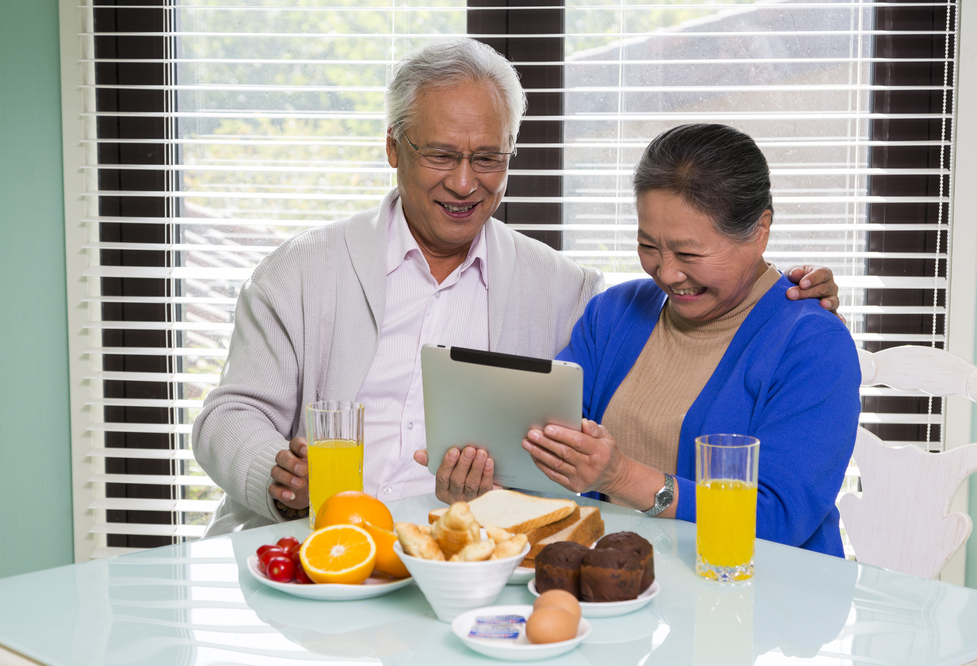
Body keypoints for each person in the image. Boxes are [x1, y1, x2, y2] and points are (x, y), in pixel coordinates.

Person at [192, 40, 841, 536]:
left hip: (475, 550)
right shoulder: (300, 272)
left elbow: (697, 309)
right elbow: (227, 414)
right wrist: (275, 476)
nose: (467, 182)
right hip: (323, 539)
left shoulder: (567, 288)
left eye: (490, 157)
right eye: (442, 154)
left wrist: (787, 290)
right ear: (395, 149)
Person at [521, 124, 860, 557]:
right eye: (649, 246)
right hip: (622, 590)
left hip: (762, 600)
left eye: (688, 254)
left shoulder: (813, 345)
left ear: (759, 231)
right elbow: (552, 449)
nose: (666, 273)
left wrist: (623, 477)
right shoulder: (614, 314)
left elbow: (779, 518)